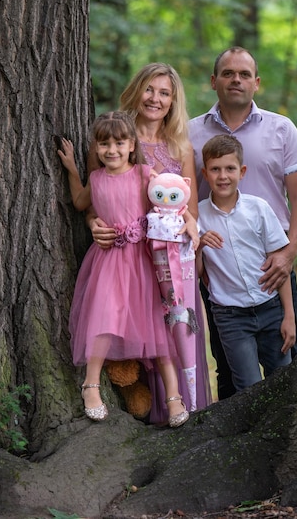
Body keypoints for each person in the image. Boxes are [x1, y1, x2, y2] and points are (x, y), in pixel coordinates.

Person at [85, 64, 212, 421]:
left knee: (174, 325)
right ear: (137, 90)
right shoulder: (116, 137)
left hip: (169, 256)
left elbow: (189, 207)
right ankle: (145, 413)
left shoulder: (180, 145)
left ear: (173, 102)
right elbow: (97, 196)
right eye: (150, 89)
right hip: (126, 256)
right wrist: (93, 223)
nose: (155, 99)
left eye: (165, 93)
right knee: (135, 325)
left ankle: (184, 405)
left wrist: (189, 226)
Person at [189, 46, 297, 399]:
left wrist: (288, 256)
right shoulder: (190, 133)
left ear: (256, 83)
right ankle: (235, 445)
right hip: (220, 272)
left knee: (285, 358)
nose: (236, 80)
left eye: (244, 74)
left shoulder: (281, 129)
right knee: (229, 367)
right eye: (227, 73)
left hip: (273, 264)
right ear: (214, 81)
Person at [58, 111, 189, 427]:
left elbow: (171, 199)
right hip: (110, 261)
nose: (111, 150)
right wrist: (73, 169)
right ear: (97, 147)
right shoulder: (98, 178)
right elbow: (79, 202)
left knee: (157, 327)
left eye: (119, 142)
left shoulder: (145, 174)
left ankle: (174, 399)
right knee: (104, 318)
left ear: (132, 145)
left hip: (143, 261)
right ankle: (90, 385)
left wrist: (185, 220)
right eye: (104, 144)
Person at [196, 135, 296, 390]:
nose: (223, 176)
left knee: (282, 381)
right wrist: (200, 245)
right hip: (231, 317)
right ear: (205, 173)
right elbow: (196, 274)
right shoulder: (198, 217)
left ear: (242, 171)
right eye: (215, 169)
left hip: (271, 308)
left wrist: (289, 317)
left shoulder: (259, 208)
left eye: (230, 169)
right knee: (248, 387)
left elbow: (280, 265)